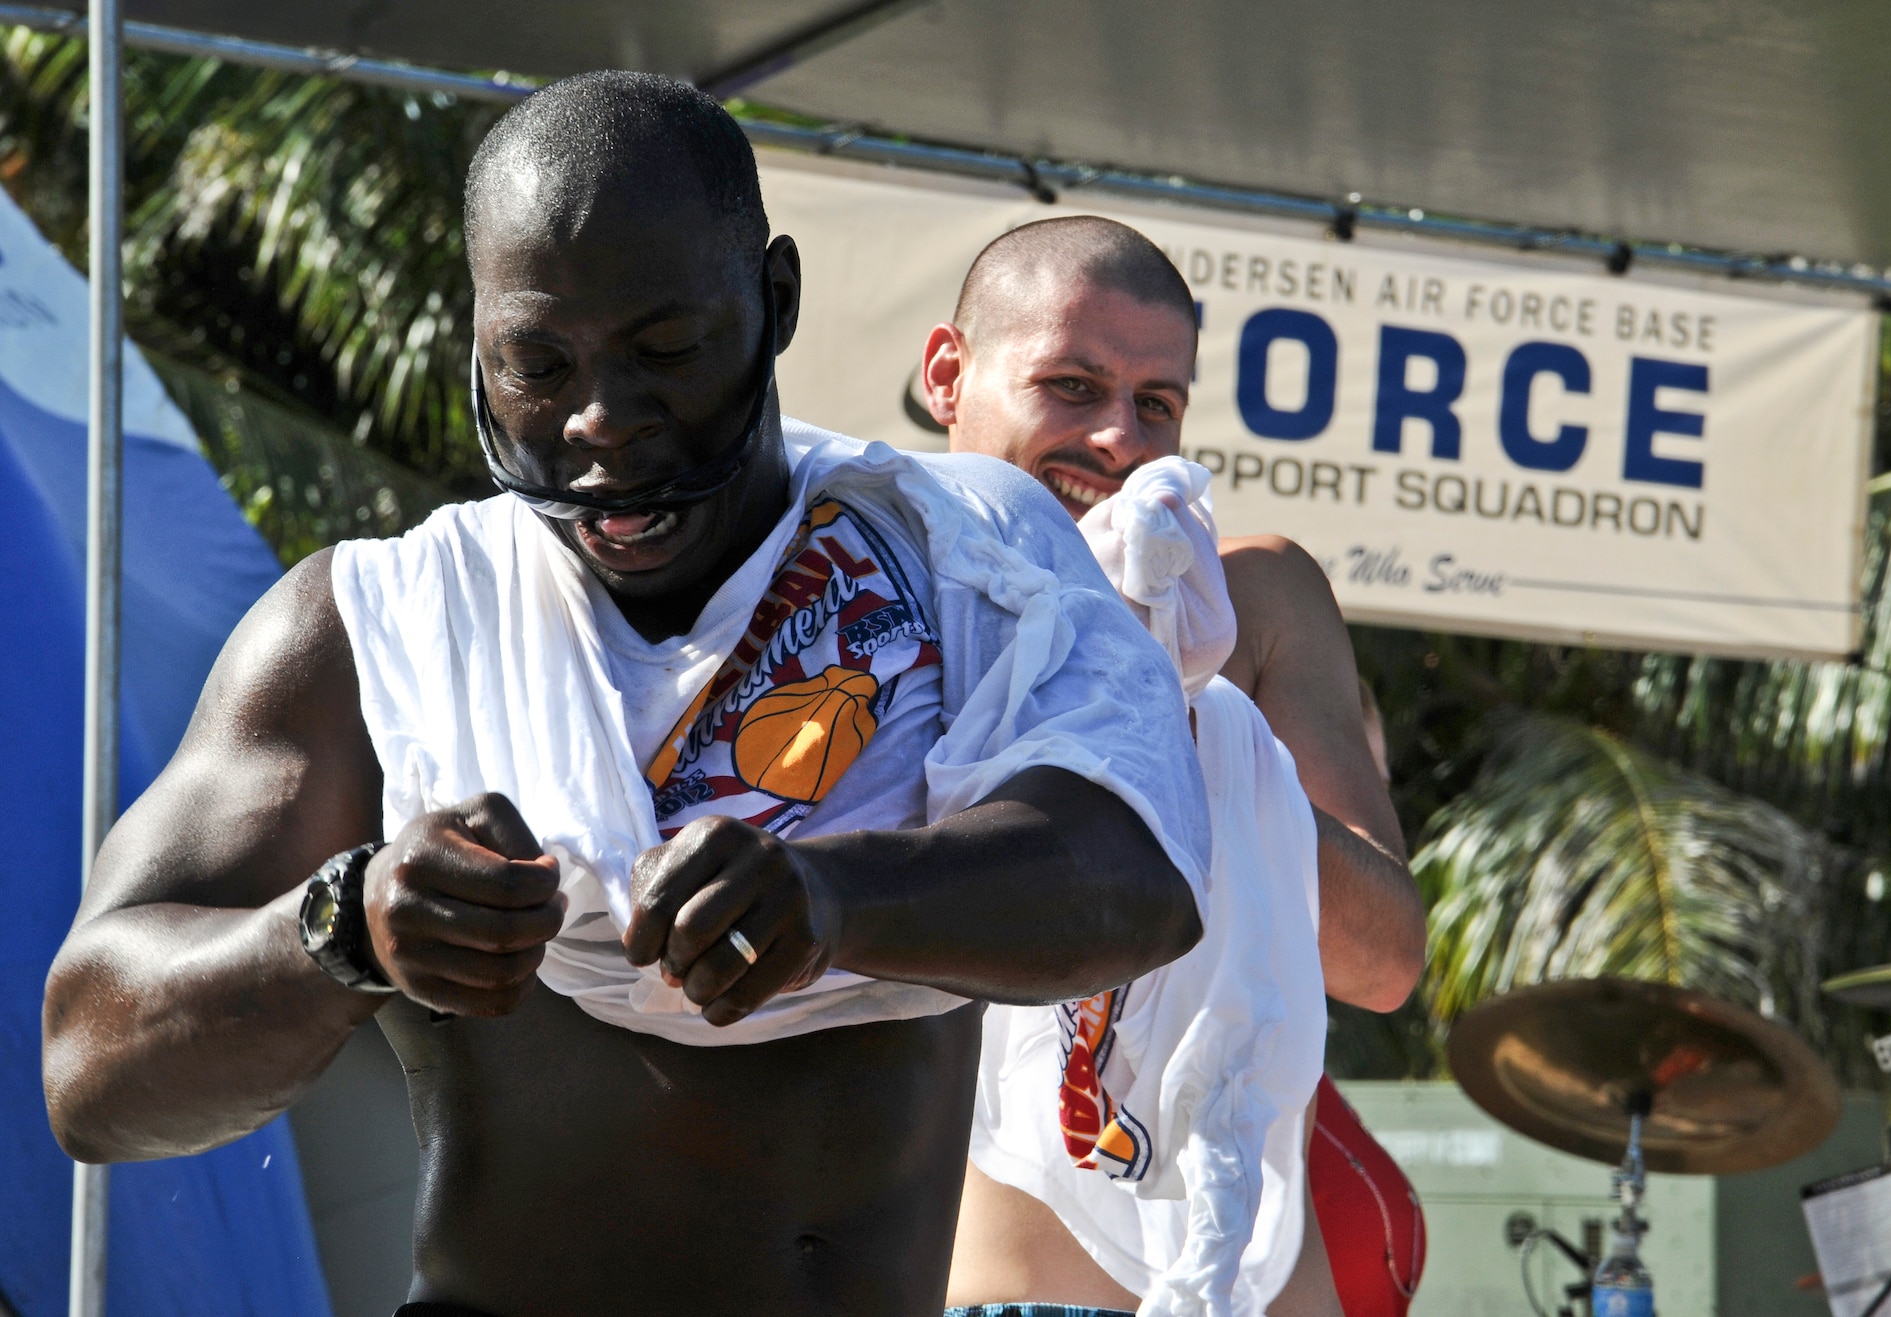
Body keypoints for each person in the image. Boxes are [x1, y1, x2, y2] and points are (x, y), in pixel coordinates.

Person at [41, 79, 1214, 1317]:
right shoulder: (378, 628)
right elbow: (88, 1067)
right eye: (538, 366)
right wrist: (345, 927)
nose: (602, 420)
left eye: (664, 352)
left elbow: (1136, 870)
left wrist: (834, 895)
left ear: (774, 303)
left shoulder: (956, 550)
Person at [920, 216, 1428, 1315]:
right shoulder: (873, 604)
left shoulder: (1251, 602)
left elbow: (1383, 960)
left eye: (1156, 403)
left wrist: (1182, 719)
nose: (1117, 439)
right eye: (1070, 385)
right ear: (947, 376)